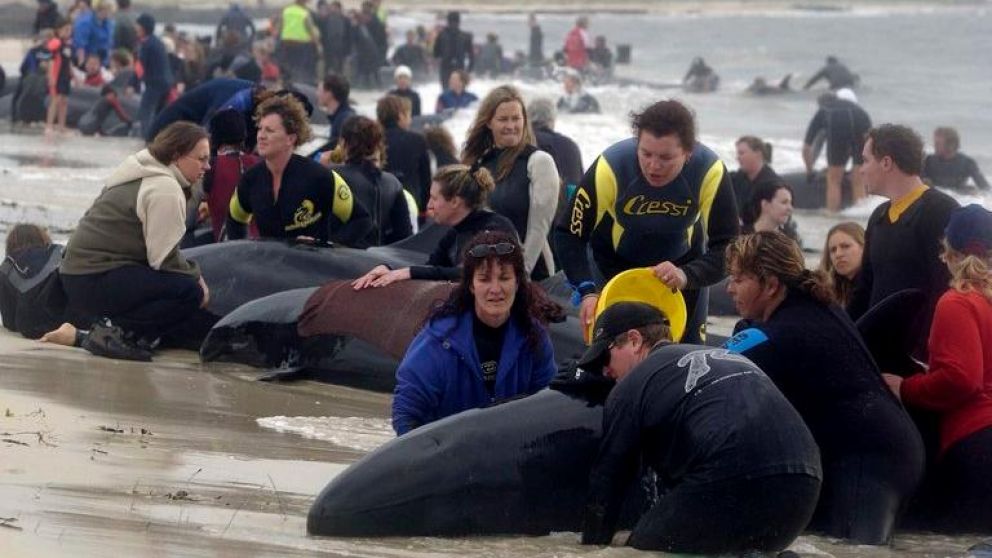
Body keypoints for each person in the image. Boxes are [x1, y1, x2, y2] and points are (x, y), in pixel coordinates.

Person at [724, 231, 924, 544]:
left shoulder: (775, 335)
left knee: (855, 551)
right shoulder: (823, 307)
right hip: (894, 448)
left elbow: (716, 370)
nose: (729, 288)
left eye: (738, 279)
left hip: (867, 462)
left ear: (771, 284)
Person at [579, 301, 821, 553]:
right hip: (805, 480)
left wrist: (591, 549)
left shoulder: (630, 388)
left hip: (734, 471)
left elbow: (607, 481)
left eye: (604, 357)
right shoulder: (726, 357)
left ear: (634, 340)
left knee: (641, 549)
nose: (605, 371)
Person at [554, 99, 739, 344]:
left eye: (666, 157)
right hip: (614, 268)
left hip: (681, 274)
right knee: (612, 358)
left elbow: (729, 248)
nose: (653, 166)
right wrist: (587, 290)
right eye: (646, 153)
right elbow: (569, 233)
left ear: (688, 153)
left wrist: (687, 275)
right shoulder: (612, 166)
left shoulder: (708, 171)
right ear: (637, 144)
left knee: (688, 357)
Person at [44, 122, 211, 361]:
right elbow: (161, 259)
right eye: (201, 159)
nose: (207, 166)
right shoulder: (165, 187)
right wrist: (197, 276)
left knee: (170, 284)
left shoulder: (138, 168)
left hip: (74, 275)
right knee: (189, 292)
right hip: (94, 276)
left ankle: (99, 332)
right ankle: (115, 333)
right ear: (176, 156)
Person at [883, 204, 992, 533]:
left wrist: (907, 386)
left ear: (951, 251)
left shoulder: (957, 301)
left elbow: (962, 379)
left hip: (977, 441)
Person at [391, 230, 558, 435]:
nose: (495, 289)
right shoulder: (438, 339)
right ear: (471, 285)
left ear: (517, 283)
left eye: (504, 278)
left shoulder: (535, 337)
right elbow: (406, 412)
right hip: (444, 451)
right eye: (484, 279)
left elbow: (548, 408)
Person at [848, 124, 959, 361]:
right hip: (876, 351)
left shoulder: (941, 211)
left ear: (886, 163)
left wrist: (923, 355)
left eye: (865, 161)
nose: (861, 170)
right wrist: (845, 335)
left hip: (918, 357)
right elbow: (865, 288)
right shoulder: (878, 216)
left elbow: (947, 289)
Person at [228, 94, 371, 245]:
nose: (261, 136)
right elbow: (234, 220)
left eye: (269, 131)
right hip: (269, 265)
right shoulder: (250, 180)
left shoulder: (319, 177)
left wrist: (328, 245)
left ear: (291, 138)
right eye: (260, 129)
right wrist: (246, 254)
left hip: (312, 264)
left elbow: (361, 220)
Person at [353, 165, 517, 286]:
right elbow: (431, 268)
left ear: (454, 201)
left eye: (434, 198)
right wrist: (389, 269)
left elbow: (473, 272)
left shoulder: (494, 228)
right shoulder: (454, 234)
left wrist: (407, 272)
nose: (429, 205)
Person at [462, 85, 560, 280]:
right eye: (503, 119)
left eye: (516, 118)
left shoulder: (539, 161)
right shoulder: (479, 163)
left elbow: (539, 227)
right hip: (486, 271)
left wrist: (521, 274)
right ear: (488, 122)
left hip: (531, 272)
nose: (511, 126)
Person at [330, 115, 412, 247]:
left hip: (337, 259)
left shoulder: (331, 176)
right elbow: (405, 237)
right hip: (377, 261)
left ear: (343, 143)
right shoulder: (393, 183)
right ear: (377, 145)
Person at [802, 90, 871, 212]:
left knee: (834, 181)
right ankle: (861, 216)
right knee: (858, 181)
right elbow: (870, 143)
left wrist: (809, 171)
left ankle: (832, 217)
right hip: (861, 127)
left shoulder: (824, 111)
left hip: (837, 127)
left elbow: (807, 147)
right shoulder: (860, 110)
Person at [201, 108, 259, 242]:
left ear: (214, 136)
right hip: (262, 246)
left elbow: (191, 216)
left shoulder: (211, 167)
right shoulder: (261, 163)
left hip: (227, 249)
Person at [0, 224, 65, 340]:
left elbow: (9, 322)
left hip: (31, 326)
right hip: (74, 315)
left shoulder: (8, 264)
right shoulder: (57, 251)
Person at [144, 78, 254, 143]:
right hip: (164, 135)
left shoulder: (248, 96)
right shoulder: (232, 97)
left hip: (179, 133)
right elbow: (207, 132)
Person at [377, 95, 431, 217]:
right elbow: (425, 179)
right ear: (401, 116)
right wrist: (424, 209)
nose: (410, 119)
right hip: (411, 203)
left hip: (380, 203)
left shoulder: (373, 140)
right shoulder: (417, 140)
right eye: (409, 115)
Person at [528, 97, 583, 201]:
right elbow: (579, 187)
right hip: (567, 211)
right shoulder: (570, 146)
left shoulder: (524, 142)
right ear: (552, 120)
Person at [133, 13, 174, 139]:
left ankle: (147, 138)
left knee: (145, 111)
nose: (135, 28)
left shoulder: (146, 45)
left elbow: (140, 67)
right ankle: (160, 138)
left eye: (138, 26)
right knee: (159, 112)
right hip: (166, 82)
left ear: (143, 28)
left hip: (155, 83)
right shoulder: (157, 42)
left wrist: (132, 83)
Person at [922, 127, 989, 192]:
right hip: (935, 198)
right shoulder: (928, 161)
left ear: (951, 145)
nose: (934, 146)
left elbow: (985, 187)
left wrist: (974, 194)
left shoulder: (967, 163)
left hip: (959, 198)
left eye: (938, 144)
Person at [273, 0, 321, 84]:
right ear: (303, 2)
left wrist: (275, 40)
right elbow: (311, 31)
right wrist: (318, 45)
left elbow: (278, 29)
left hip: (286, 44)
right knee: (299, 67)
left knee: (288, 66)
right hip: (301, 45)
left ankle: (287, 83)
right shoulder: (304, 13)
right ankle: (297, 84)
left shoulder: (286, 11)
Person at [819, 222, 865, 308]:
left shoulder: (875, 288)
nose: (838, 254)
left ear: (864, 246)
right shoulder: (828, 290)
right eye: (833, 250)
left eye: (845, 246)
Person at [45, 17, 73, 136]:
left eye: (70, 30)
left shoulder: (68, 45)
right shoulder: (55, 43)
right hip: (57, 75)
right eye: (66, 30)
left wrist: (72, 74)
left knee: (64, 101)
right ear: (58, 30)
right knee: (55, 100)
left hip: (65, 76)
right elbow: (51, 60)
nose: (68, 32)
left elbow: (68, 61)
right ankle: (49, 125)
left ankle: (62, 126)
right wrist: (51, 76)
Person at [432, 10, 473, 90]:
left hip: (446, 69)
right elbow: (471, 56)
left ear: (448, 21)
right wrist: (468, 71)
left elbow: (435, 54)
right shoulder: (466, 36)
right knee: (460, 94)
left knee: (446, 94)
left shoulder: (441, 35)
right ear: (459, 22)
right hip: (460, 69)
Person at [317, 73, 356, 151]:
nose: (317, 93)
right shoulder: (343, 117)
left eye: (319, 90)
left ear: (329, 93)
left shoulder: (344, 121)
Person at [72, 0, 113, 67]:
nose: (109, 15)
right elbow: (80, 45)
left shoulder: (107, 23)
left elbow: (109, 42)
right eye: (108, 12)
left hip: (103, 59)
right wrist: (81, 63)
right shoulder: (85, 22)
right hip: (88, 58)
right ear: (100, 10)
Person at [314, 0, 349, 75]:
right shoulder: (325, 19)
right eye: (332, 7)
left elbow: (348, 34)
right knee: (328, 65)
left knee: (340, 65)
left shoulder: (345, 19)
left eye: (334, 7)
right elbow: (322, 32)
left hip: (341, 45)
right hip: (329, 45)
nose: (332, 9)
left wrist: (347, 47)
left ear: (339, 8)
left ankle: (339, 79)